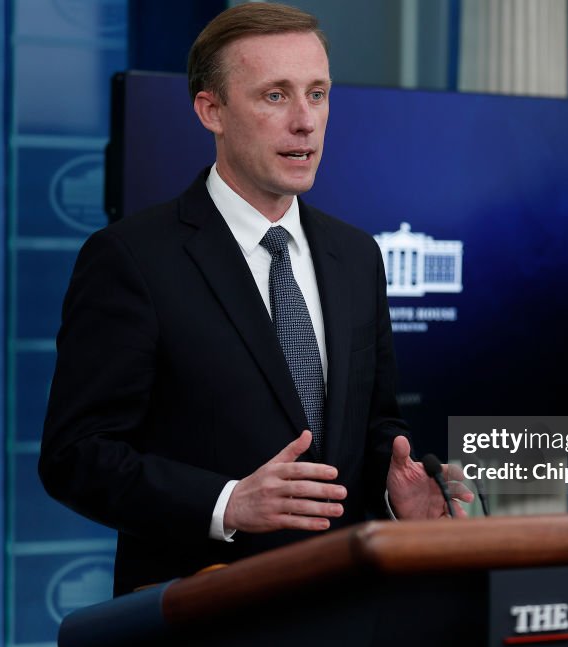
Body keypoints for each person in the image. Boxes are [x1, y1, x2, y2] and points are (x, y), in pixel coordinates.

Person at [39, 3, 472, 596]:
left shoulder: (355, 256)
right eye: (275, 96)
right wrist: (227, 503)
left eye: (317, 94)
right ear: (210, 109)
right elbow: (76, 457)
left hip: (344, 615)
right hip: (200, 625)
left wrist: (400, 498)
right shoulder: (132, 259)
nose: (305, 122)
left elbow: (375, 424)